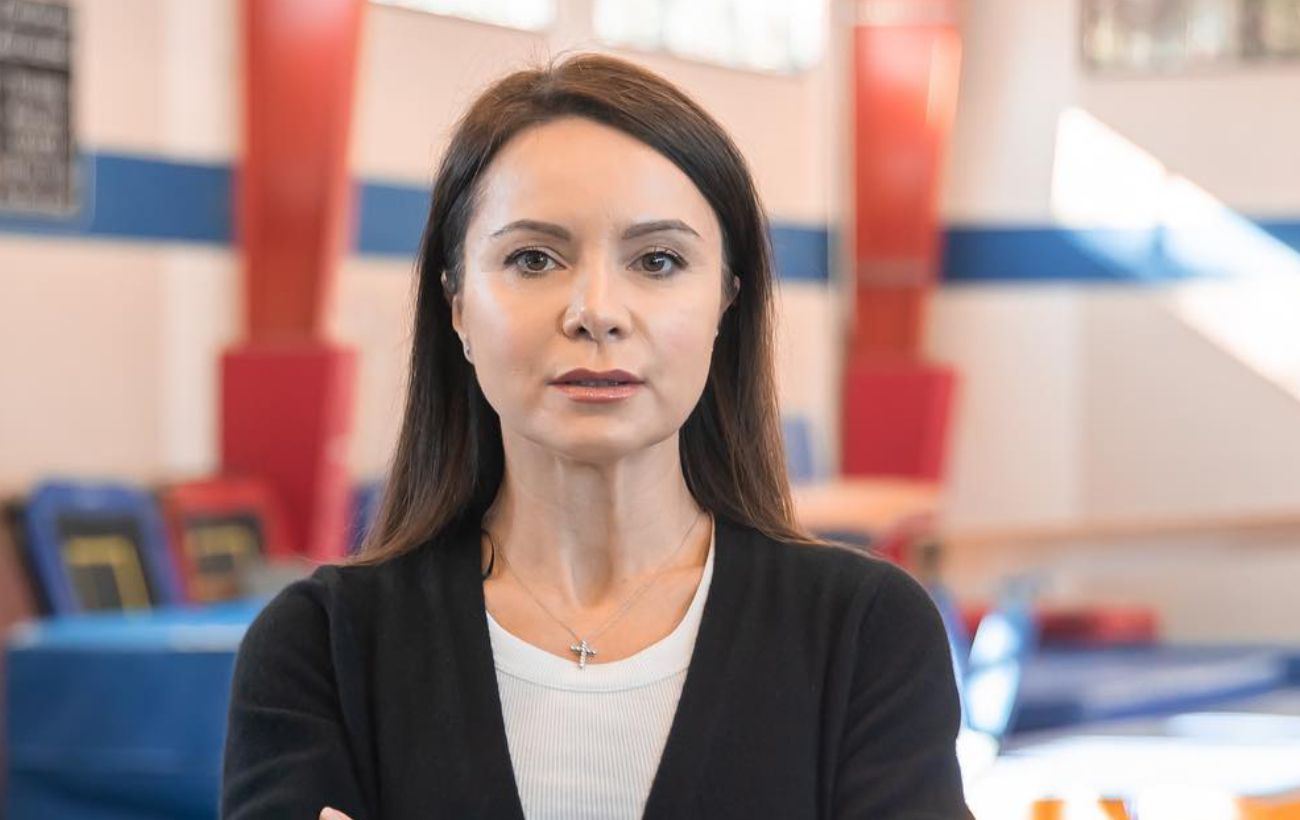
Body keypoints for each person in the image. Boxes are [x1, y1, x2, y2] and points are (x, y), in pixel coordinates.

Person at [220, 52, 971, 819]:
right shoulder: (323, 649)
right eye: (533, 258)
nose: (596, 311)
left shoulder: (865, 635)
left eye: (658, 260)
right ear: (457, 306)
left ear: (725, 303)